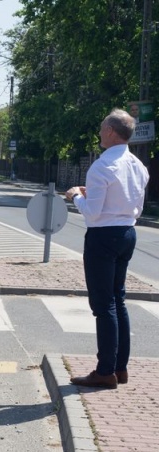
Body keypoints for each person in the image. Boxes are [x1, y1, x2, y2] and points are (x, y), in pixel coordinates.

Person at [64, 109, 149, 389]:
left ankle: (105, 371)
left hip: (103, 236)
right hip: (127, 232)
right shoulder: (138, 165)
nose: (100, 132)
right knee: (118, 300)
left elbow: (93, 214)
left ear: (111, 131)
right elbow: (127, 202)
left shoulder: (102, 166)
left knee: (103, 305)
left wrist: (76, 197)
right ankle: (120, 368)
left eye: (102, 128)